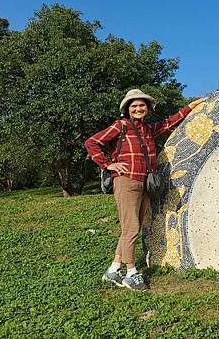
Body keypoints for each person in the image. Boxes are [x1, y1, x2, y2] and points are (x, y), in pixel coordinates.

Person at [85, 89, 205, 291]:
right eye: (134, 106)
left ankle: (114, 269)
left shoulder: (148, 129)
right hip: (126, 181)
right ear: (127, 109)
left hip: (146, 183)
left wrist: (190, 107)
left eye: (142, 105)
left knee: (133, 227)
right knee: (131, 228)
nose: (138, 108)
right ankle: (131, 273)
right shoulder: (121, 126)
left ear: (147, 108)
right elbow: (92, 143)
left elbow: (169, 123)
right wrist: (108, 164)